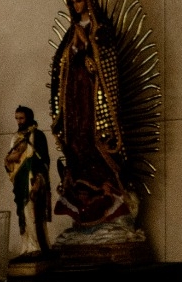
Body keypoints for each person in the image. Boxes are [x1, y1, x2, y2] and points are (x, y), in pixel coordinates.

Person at [49, 0, 128, 226]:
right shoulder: (71, 33)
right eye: (73, 1)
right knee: (76, 142)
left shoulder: (101, 31)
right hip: (75, 100)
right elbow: (60, 67)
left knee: (96, 143)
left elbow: (107, 66)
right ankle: (80, 191)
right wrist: (73, 50)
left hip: (94, 101)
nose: (76, 4)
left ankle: (107, 192)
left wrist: (87, 49)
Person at [4, 106, 52, 256]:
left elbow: (44, 161)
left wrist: (39, 180)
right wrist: (8, 160)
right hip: (20, 182)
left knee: (33, 212)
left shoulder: (37, 135)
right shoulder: (15, 138)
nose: (19, 122)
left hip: (32, 179)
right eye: (17, 118)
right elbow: (9, 161)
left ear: (28, 118)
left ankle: (36, 246)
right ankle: (26, 246)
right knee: (23, 214)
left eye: (21, 118)